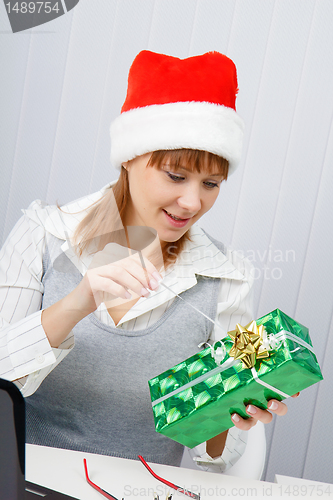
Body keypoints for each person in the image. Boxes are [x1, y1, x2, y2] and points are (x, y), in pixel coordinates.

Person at [0, 50, 293, 473]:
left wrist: (230, 414)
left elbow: (215, 457)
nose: (193, 202)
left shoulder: (228, 277)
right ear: (130, 157)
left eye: (210, 184)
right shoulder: (43, 234)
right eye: (176, 176)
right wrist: (77, 303)